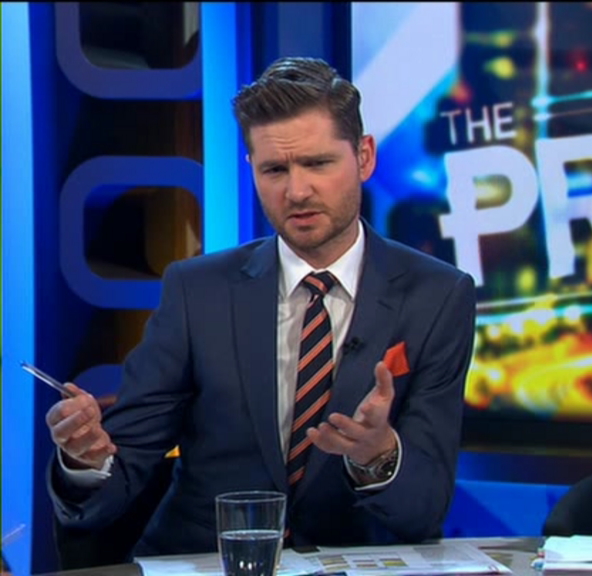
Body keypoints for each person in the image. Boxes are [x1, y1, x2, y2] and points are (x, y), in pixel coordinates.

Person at [46, 56, 477, 557]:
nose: (297, 191)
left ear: (363, 157)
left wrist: (378, 455)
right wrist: (86, 460)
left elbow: (423, 509)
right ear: (252, 167)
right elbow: (122, 472)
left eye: (317, 164)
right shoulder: (197, 291)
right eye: (275, 169)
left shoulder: (437, 296)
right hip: (207, 560)